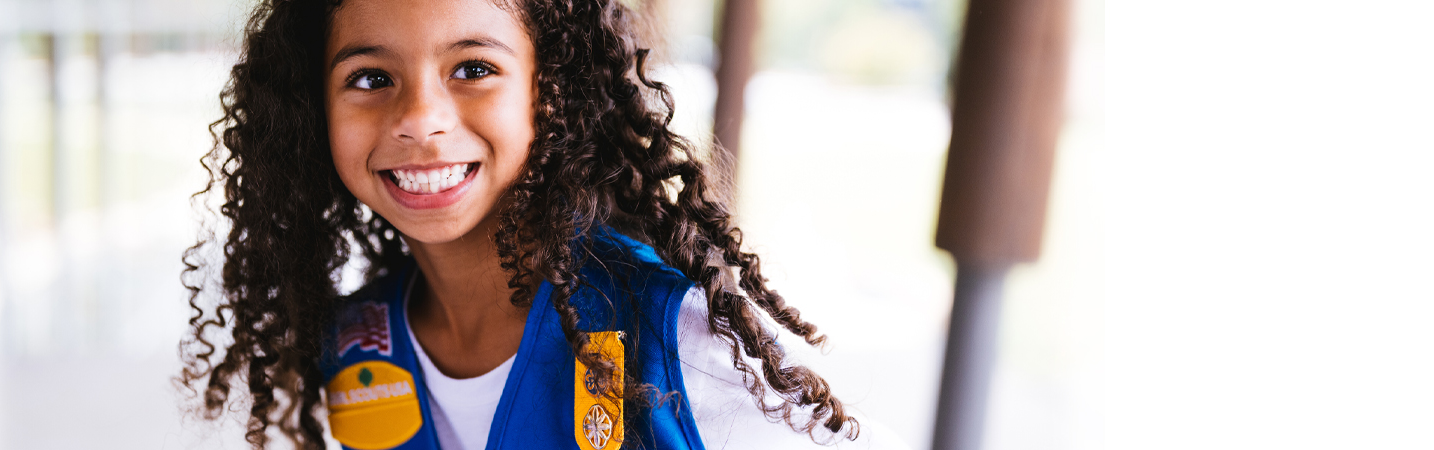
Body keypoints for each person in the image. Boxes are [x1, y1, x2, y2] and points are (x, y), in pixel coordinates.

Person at [179, 0, 910, 448]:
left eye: (472, 68)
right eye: (370, 79)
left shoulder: (672, 335)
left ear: (551, 92)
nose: (419, 121)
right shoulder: (358, 340)